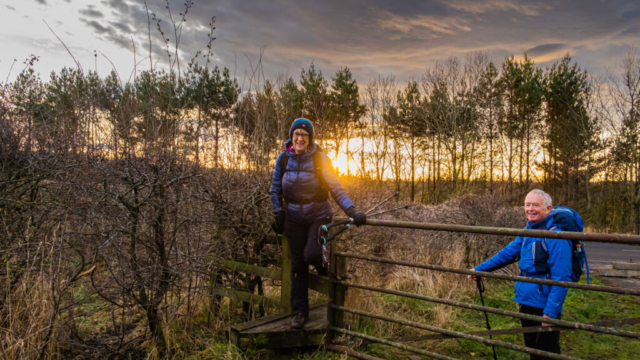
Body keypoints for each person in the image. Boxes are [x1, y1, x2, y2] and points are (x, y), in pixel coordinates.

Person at [270, 118, 366, 329]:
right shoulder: (283, 159)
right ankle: (301, 311)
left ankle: (323, 265)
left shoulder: (320, 159)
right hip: (293, 218)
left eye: (304, 135)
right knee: (298, 265)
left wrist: (352, 211)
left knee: (312, 254)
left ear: (310, 138)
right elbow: (275, 188)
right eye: (296, 134)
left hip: (318, 215)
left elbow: (336, 188)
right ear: (291, 136)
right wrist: (278, 212)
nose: (300, 138)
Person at [469, 189, 573, 359]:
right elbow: (507, 253)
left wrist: (551, 313)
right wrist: (481, 268)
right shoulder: (528, 231)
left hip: (544, 303)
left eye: (536, 205)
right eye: (527, 205)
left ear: (549, 209)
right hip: (526, 298)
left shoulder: (556, 237)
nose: (530, 209)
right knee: (531, 346)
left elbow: (561, 278)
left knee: (547, 350)